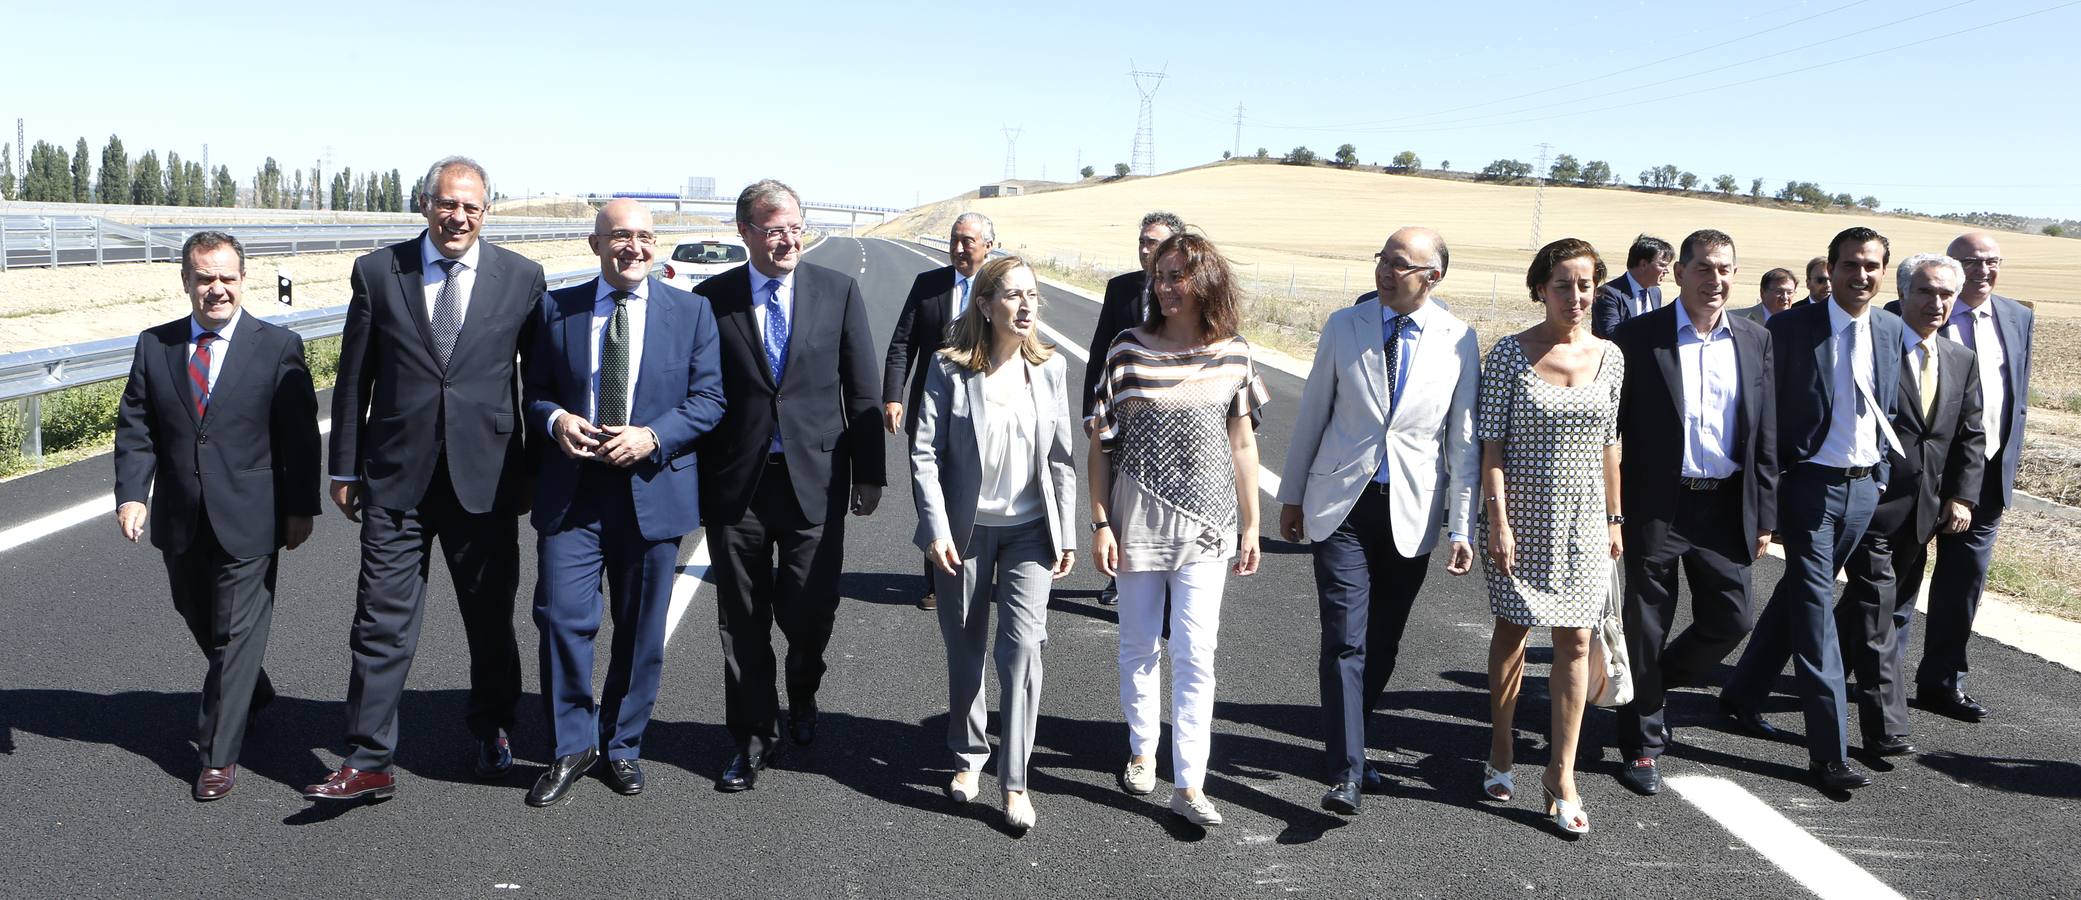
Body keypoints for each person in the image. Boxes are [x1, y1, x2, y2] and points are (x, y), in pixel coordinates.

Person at [308, 157, 545, 802]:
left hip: (487, 480)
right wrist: (343, 466)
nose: (458, 217)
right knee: (380, 619)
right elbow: (355, 377)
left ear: (486, 211)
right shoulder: (378, 272)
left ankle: (494, 726)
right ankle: (368, 757)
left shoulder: (521, 278)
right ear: (424, 204)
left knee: (489, 617)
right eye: (447, 204)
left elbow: (537, 385)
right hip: (395, 477)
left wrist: (534, 472)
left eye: (472, 207)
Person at [519, 200, 726, 806]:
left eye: (643, 237)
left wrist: (654, 436)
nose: (633, 247)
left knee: (640, 632)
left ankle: (623, 746)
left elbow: (710, 399)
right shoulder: (556, 309)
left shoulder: (691, 312)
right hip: (572, 493)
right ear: (595, 245)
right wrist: (555, 419)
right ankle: (571, 745)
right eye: (620, 237)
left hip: (651, 491)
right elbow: (533, 391)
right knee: (560, 617)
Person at [1277, 226, 1479, 815]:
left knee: (1384, 641)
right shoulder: (1346, 326)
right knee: (1345, 637)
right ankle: (1345, 770)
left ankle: (1351, 742)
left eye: (1399, 265)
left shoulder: (1458, 339)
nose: (1385, 272)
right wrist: (1291, 497)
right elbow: (1313, 412)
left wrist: (1461, 526)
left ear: (1431, 277)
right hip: (1343, 505)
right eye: (1381, 261)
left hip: (1411, 511)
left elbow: (1461, 443)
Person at [113, 231, 322, 801]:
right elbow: (137, 427)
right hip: (182, 514)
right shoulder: (154, 346)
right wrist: (133, 493)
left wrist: (302, 507)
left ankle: (217, 753)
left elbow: (300, 438)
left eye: (227, 277)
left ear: (243, 279)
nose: (217, 288)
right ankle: (251, 688)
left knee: (233, 631)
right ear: (186, 281)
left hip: (252, 515)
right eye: (204, 277)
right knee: (197, 612)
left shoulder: (277, 345)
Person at [695, 179, 885, 792]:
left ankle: (803, 689)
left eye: (795, 226)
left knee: (808, 611)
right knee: (741, 618)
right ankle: (751, 737)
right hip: (738, 485)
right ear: (745, 233)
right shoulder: (711, 299)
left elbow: (862, 389)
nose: (787, 239)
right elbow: (699, 394)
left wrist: (871, 472)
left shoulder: (838, 290)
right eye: (773, 229)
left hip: (817, 479)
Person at [1089, 232, 1267, 827]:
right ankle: (1143, 750)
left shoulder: (1235, 354)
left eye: (1176, 277)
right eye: (1160, 276)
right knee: (1139, 644)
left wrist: (1252, 525)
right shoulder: (1127, 350)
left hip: (1208, 526)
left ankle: (1190, 783)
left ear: (1205, 282)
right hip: (1135, 516)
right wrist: (1100, 522)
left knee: (1197, 654)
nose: (1164, 287)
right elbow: (1099, 444)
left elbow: (1243, 443)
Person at [1722, 226, 1907, 793]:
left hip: (1861, 491)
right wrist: (1767, 494)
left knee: (1800, 596)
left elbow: (1891, 407)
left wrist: (1876, 477)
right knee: (1816, 613)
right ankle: (1829, 754)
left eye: (1872, 266)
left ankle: (1742, 694)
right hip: (1807, 490)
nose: (1862, 276)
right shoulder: (1790, 328)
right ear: (1831, 269)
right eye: (1850, 265)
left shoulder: (1890, 328)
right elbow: (1761, 413)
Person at [910, 255, 1077, 833]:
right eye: (1012, 295)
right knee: (966, 649)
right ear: (984, 305)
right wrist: (935, 527)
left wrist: (1068, 532)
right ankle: (967, 756)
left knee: (1023, 650)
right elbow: (924, 452)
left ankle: (1015, 779)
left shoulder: (1050, 369)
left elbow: (1060, 456)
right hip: (965, 532)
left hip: (1032, 529)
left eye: (1032, 294)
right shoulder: (948, 368)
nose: (1026, 305)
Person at [1608, 229, 1777, 796]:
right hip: (1656, 504)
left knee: (1732, 620)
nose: (1716, 280)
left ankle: (1647, 691)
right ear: (1678, 272)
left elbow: (1765, 432)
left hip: (1727, 504)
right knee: (1646, 625)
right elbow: (1611, 432)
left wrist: (1765, 512)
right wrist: (1609, 510)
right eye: (1704, 268)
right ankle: (1643, 743)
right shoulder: (1637, 338)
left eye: (1726, 269)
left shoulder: (1754, 340)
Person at [1477, 238, 1624, 836]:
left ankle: (1561, 775)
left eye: (1586, 284)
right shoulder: (1509, 355)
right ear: (1540, 288)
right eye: (1563, 284)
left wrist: (1615, 518)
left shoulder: (1611, 357)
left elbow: (1611, 440)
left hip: (1586, 522)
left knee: (1578, 644)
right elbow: (1492, 446)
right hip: (1523, 519)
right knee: (1512, 634)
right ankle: (1503, 746)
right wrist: (1498, 521)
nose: (1576, 296)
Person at [1837, 254, 1986, 758]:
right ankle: (1886, 728)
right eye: (1926, 292)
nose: (1937, 303)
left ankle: (1750, 686)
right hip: (1869, 505)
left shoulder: (1960, 359)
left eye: (1946, 294)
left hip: (1922, 514)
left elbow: (1970, 434)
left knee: (1867, 609)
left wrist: (1962, 494)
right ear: (1902, 294)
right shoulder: (1872, 346)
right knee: (1880, 615)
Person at [1918, 231, 2033, 722]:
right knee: (1897, 580)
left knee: (1964, 583)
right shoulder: (1921, 311)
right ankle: (1868, 671)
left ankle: (1942, 682)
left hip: (1987, 474)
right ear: (1952, 265)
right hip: (1924, 472)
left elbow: (2016, 397)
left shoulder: (2018, 316)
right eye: (1972, 262)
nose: (1983, 270)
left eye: (1992, 261)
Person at [883, 212, 995, 611]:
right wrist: (893, 396)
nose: (960, 248)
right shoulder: (927, 285)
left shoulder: (1001, 290)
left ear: (988, 247)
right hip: (930, 408)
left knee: (973, 489)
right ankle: (935, 579)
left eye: (969, 241)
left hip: (983, 412)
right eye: (955, 240)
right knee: (928, 487)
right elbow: (901, 344)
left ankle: (977, 570)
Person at [1082, 210, 1185, 607]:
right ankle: (1118, 573)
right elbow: (1099, 352)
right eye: (1142, 241)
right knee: (1118, 492)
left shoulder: (1190, 294)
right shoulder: (1120, 288)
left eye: (1154, 242)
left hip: (1170, 418)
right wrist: (1091, 409)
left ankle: (1170, 577)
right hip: (1122, 413)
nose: (1146, 249)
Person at [1590, 234, 1672, 339]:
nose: (1667, 271)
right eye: (1662, 265)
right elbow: (1611, 335)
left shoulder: (1655, 292)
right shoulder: (1608, 293)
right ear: (1643, 265)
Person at [1731, 268, 1800, 324]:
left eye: (1789, 292)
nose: (1785, 297)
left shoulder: (1800, 323)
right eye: (1779, 291)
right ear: (1763, 292)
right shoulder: (1736, 319)